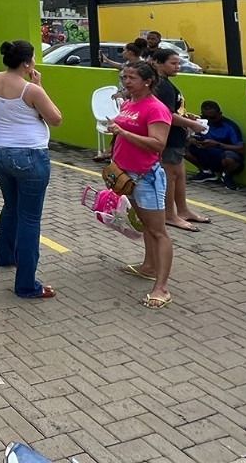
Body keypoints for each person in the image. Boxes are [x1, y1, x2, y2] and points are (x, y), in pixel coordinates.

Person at [0, 40, 63, 299]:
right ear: (28, 62)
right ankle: (27, 284)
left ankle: (4, 255)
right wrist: (39, 86)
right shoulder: (31, 89)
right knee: (30, 218)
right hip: (29, 154)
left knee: (11, 206)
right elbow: (55, 118)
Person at [107, 61, 174, 308]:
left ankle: (162, 287)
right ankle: (148, 266)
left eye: (132, 78)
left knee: (158, 231)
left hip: (146, 176)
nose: (126, 82)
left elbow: (158, 144)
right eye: (124, 77)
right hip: (125, 174)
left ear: (148, 81)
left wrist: (124, 133)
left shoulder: (156, 109)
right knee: (145, 224)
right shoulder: (129, 103)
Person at [150, 47, 211, 232]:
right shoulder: (162, 86)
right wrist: (192, 124)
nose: (177, 67)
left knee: (179, 175)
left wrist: (186, 117)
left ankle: (183, 210)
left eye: (178, 63)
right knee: (170, 177)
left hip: (175, 137)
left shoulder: (165, 84)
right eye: (173, 63)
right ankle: (170, 214)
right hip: (168, 137)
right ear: (158, 63)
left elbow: (173, 111)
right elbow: (167, 115)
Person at [186, 101, 245, 188]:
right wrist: (192, 139)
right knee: (182, 148)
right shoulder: (201, 122)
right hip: (206, 154)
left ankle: (226, 176)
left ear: (220, 114)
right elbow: (191, 136)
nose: (209, 120)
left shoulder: (229, 126)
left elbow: (241, 149)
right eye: (205, 117)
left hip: (222, 155)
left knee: (230, 158)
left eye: (212, 117)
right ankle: (206, 172)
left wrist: (217, 144)